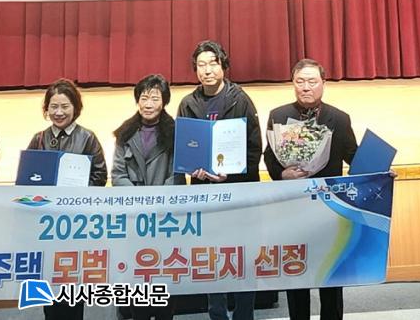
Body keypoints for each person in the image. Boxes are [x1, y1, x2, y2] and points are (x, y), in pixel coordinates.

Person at [264, 58, 357, 320]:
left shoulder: (339, 119)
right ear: (293, 83)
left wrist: (380, 171)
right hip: (293, 208)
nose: (306, 87)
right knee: (296, 273)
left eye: (312, 81)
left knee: (331, 275)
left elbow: (354, 156)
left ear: (323, 83)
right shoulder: (278, 116)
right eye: (300, 81)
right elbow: (269, 156)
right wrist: (282, 173)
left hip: (329, 208)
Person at [177, 40, 261, 320]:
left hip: (238, 193)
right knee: (213, 256)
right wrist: (192, 169)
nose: (207, 70)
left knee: (242, 256)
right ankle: (217, 314)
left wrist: (232, 174)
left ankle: (244, 314)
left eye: (213, 63)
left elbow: (254, 149)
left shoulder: (241, 100)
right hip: (205, 194)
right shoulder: (188, 103)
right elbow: (184, 146)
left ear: (224, 66)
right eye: (201, 65)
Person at [27, 78, 107, 320]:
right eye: (53, 106)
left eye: (65, 106)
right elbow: (27, 179)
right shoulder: (39, 138)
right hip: (45, 225)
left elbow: (100, 176)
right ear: (46, 108)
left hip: (74, 224)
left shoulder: (87, 138)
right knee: (47, 288)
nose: (59, 112)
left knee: (73, 286)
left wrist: (75, 195)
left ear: (75, 107)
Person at [111, 74, 184, 320]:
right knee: (137, 275)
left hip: (165, 218)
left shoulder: (176, 132)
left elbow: (177, 175)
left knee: (164, 275)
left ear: (164, 102)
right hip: (134, 217)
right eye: (144, 98)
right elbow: (117, 175)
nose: (148, 104)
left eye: (155, 98)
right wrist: (139, 200)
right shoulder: (124, 133)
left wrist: (157, 201)